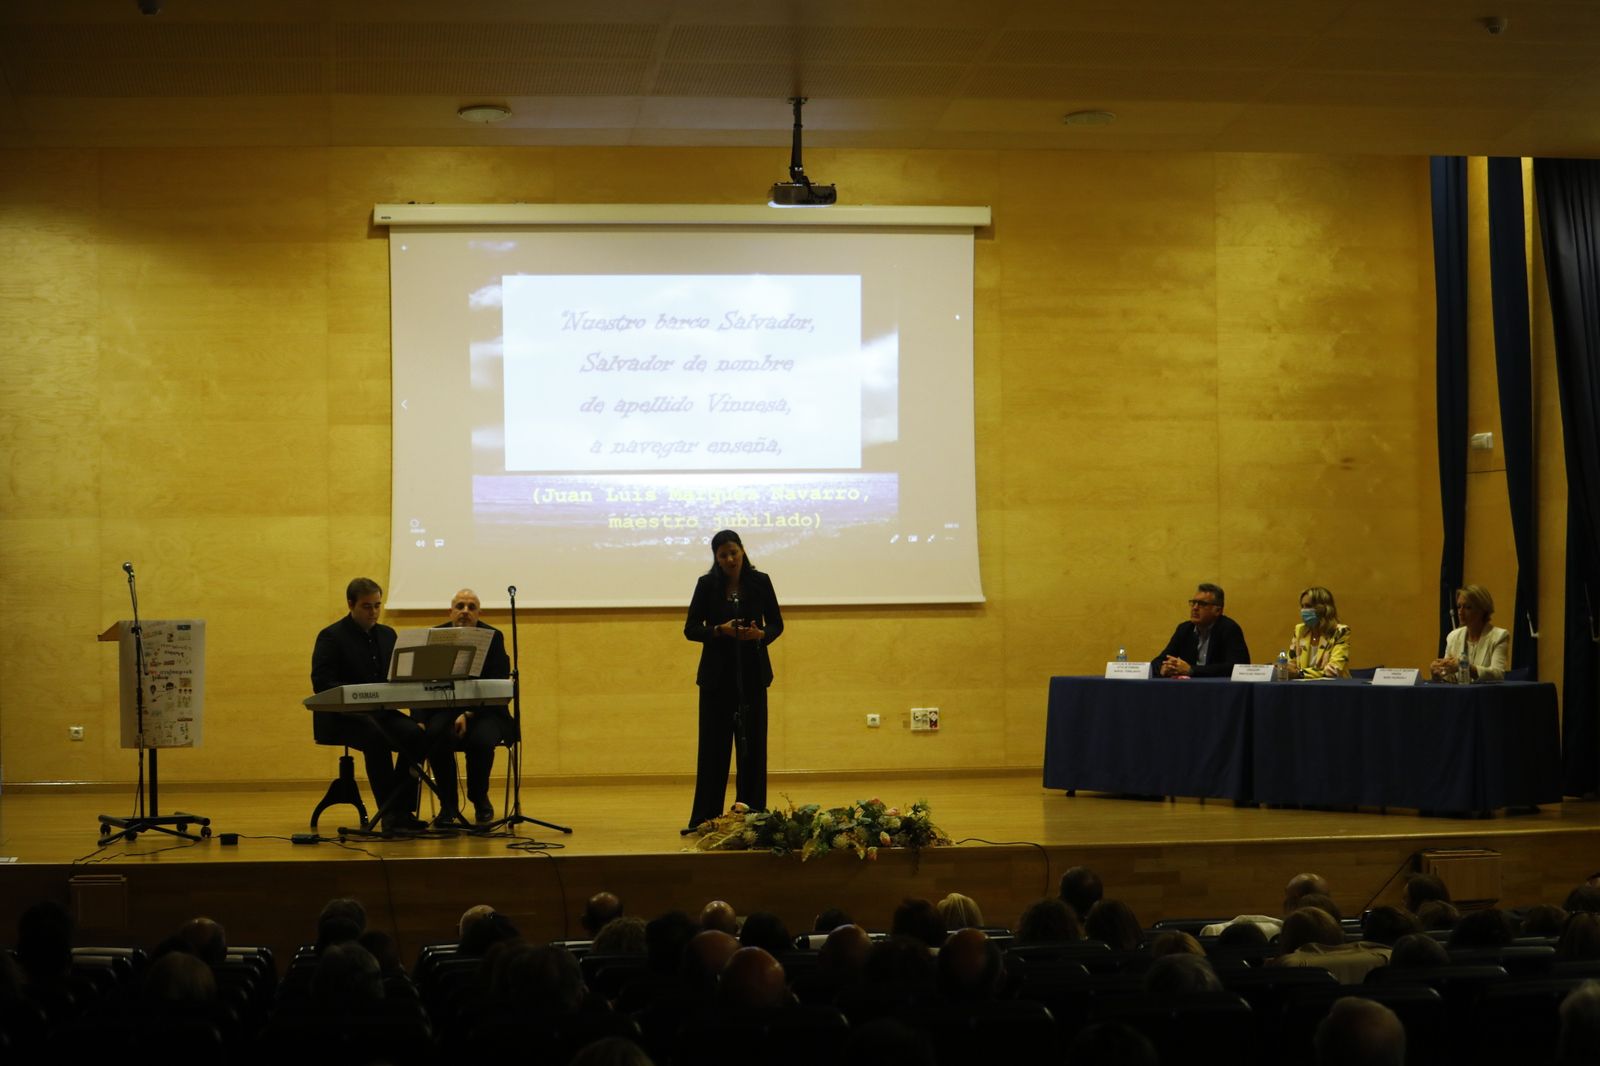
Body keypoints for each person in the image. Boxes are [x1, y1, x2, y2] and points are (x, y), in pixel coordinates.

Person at [681, 530, 784, 832]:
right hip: (715, 679)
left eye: (733, 552)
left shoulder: (760, 581)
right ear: (716, 557)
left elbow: (777, 622)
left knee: (751, 750)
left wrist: (761, 635)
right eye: (723, 555)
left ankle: (752, 818)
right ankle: (706, 820)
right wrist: (719, 630)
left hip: (752, 676)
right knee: (713, 751)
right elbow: (690, 628)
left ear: (742, 551)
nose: (729, 559)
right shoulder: (706, 585)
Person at [310, 578, 427, 831]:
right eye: (367, 606)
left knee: (416, 735)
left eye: (377, 605)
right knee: (376, 739)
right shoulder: (331, 637)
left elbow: (402, 679)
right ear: (350, 604)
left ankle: (402, 808)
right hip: (342, 718)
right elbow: (321, 683)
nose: (374, 612)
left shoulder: (387, 635)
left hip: (381, 713)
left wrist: (416, 714)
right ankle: (388, 813)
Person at [419, 588, 513, 824]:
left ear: (479, 613)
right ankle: (447, 805)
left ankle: (479, 797)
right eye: (460, 606)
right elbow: (420, 681)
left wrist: (468, 713)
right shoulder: (435, 636)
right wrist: (419, 718)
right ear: (450, 611)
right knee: (436, 735)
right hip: (443, 709)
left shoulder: (493, 637)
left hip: (485, 711)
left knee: (481, 741)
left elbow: (497, 683)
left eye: (471, 607)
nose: (465, 611)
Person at [1154, 583, 1251, 677]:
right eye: (1193, 603)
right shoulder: (1184, 629)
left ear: (1217, 610)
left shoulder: (1229, 628)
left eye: (1202, 604)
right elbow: (1159, 660)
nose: (1195, 608)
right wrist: (1163, 668)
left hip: (1219, 689)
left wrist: (1192, 670)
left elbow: (1237, 666)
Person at [1429, 583, 1510, 682]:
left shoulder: (1499, 636)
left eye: (1467, 607)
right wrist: (1438, 672)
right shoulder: (1453, 636)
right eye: (1459, 607)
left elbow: (1498, 675)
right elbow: (1450, 678)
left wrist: (1463, 666)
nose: (1460, 612)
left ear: (1482, 610)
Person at [1286, 585, 1350, 679]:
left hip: (1333, 688)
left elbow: (1333, 670)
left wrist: (1299, 673)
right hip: (1302, 687)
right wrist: (1284, 668)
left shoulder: (1340, 631)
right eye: (1302, 606)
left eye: (1308, 606)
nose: (1303, 610)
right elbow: (1291, 664)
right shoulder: (1300, 630)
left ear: (1324, 608)